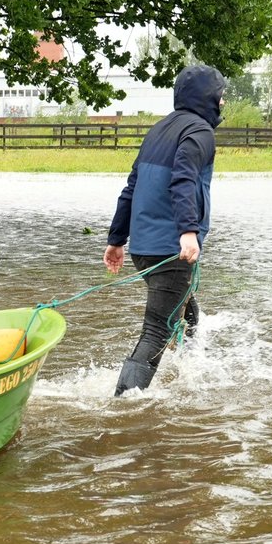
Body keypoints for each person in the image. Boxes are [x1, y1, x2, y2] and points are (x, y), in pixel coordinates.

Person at [103, 64, 225, 396]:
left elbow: (131, 187)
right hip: (170, 248)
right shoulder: (200, 132)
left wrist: (116, 240)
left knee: (188, 310)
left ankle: (191, 373)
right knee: (157, 330)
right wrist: (187, 232)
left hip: (144, 248)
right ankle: (123, 404)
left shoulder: (157, 130)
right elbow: (183, 179)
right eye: (221, 96)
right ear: (208, 98)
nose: (223, 102)